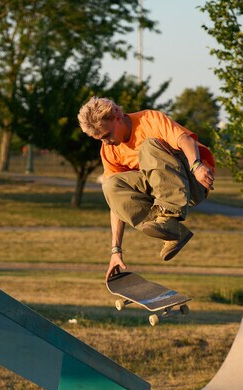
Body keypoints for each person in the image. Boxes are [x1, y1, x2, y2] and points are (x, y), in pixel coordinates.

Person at [77, 97, 215, 280]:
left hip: (192, 181)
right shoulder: (109, 151)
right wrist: (115, 251)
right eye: (100, 140)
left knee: (149, 146)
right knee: (111, 185)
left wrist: (196, 165)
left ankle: (169, 215)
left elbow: (184, 139)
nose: (107, 142)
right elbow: (117, 204)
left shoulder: (149, 120)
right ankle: (172, 231)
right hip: (160, 187)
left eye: (107, 135)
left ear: (117, 116)